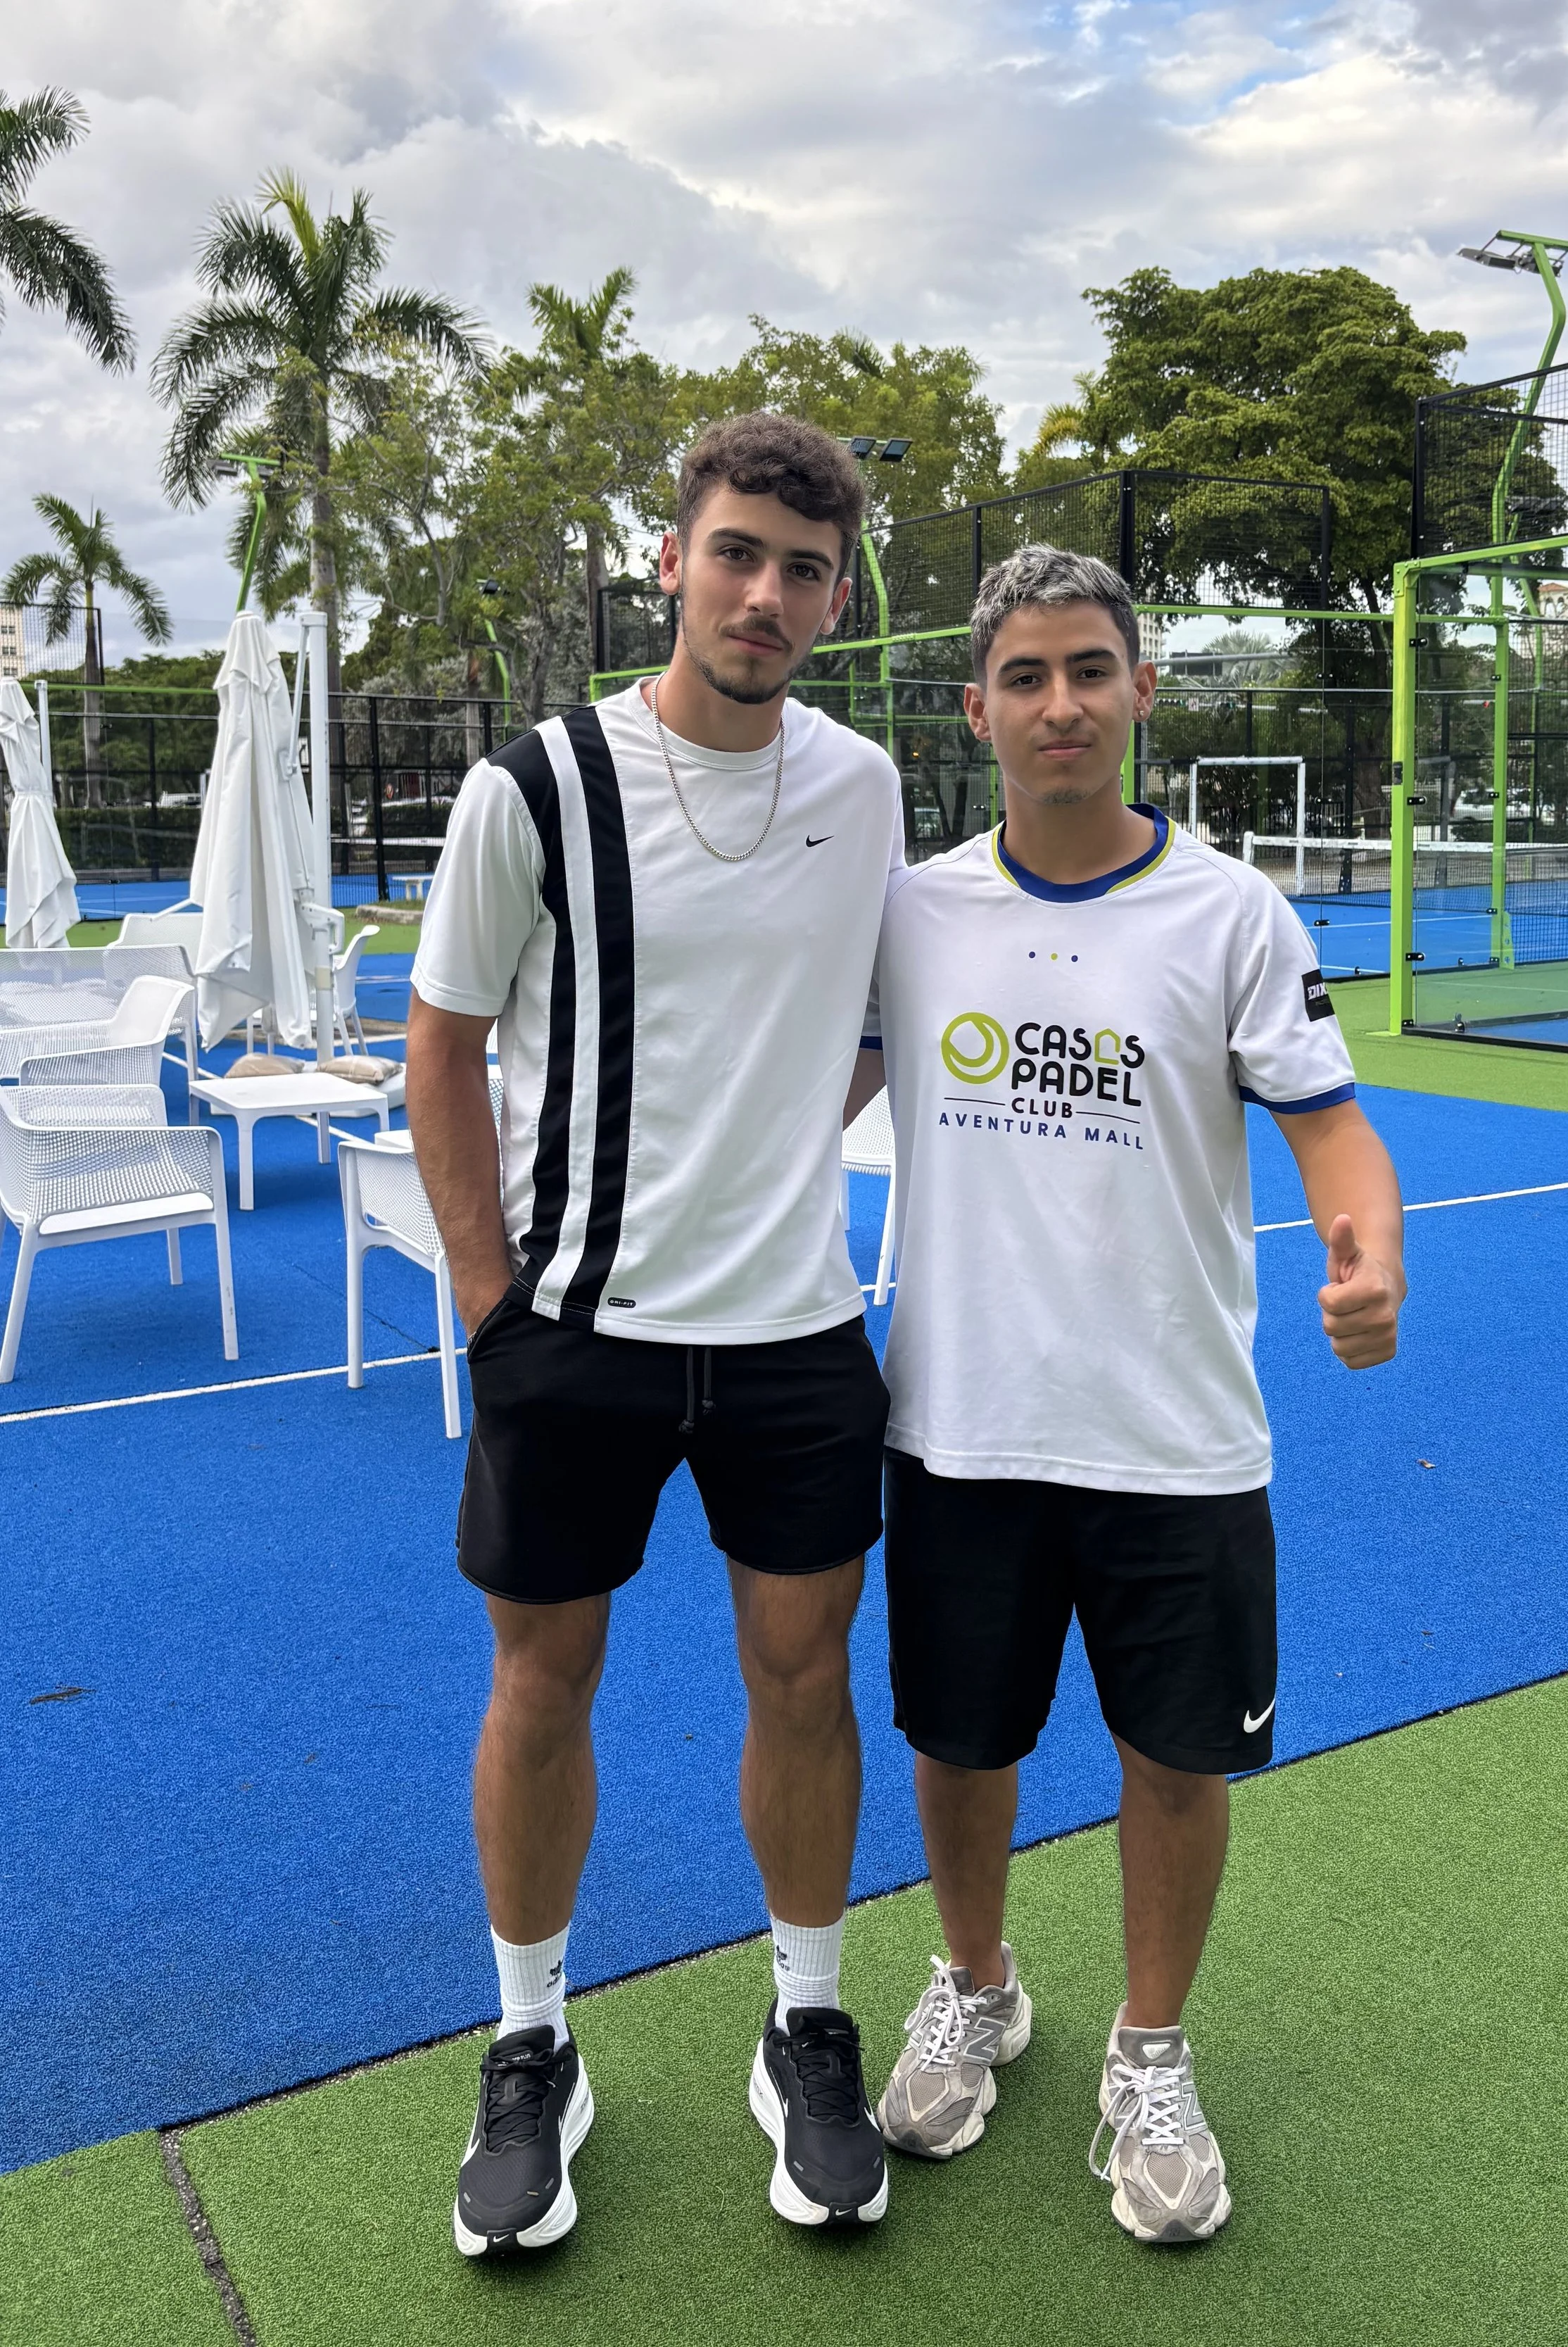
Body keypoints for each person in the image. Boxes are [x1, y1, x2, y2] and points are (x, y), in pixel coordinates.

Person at [852, 544, 1405, 2244]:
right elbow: (788, 1099)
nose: (1059, 704)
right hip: (957, 1421)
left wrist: (1365, 1251)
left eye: (1088, 668)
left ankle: (1148, 2051)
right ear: (976, 709)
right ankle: (976, 1982)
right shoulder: (913, 910)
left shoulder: (1231, 913)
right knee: (958, 1739)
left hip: (1174, 1433)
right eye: (1023, 676)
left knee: (1174, 1757)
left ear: (1141, 690)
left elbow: (1332, 1130)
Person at [406, 414, 904, 2253]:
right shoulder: (530, 784)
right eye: (737, 554)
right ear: (672, 560)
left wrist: (772, 1141)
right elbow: (439, 1048)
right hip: (576, 1337)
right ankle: (531, 2043)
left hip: (792, 1333)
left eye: (802, 568)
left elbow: (862, 1021)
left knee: (805, 1678)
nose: (765, 593)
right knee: (541, 1684)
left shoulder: (860, 787)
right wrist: (491, 1307)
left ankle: (804, 2017)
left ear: (834, 596)